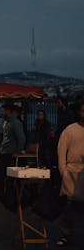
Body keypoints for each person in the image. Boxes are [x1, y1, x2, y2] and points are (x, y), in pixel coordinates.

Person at [56, 100, 84, 247]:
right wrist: (64, 172)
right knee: (69, 207)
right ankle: (65, 234)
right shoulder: (70, 130)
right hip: (71, 172)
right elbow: (61, 152)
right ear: (79, 112)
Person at [0, 104, 26, 196]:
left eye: (3, 111)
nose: (2, 112)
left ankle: (7, 192)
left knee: (4, 173)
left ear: (8, 111)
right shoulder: (6, 122)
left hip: (9, 153)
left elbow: (21, 138)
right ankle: (2, 191)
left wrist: (17, 151)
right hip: (3, 151)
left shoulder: (15, 123)